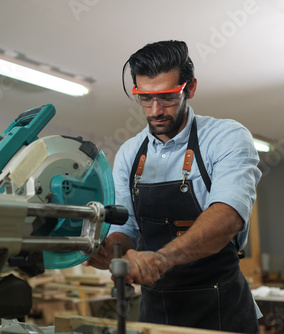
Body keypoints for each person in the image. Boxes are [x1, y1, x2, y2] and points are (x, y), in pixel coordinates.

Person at [84, 40, 262, 333]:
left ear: (189, 89)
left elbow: (227, 216)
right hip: (157, 312)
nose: (155, 110)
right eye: (145, 98)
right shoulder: (130, 153)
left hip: (221, 309)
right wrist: (106, 253)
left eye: (167, 97)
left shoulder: (225, 137)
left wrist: (163, 258)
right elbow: (125, 230)